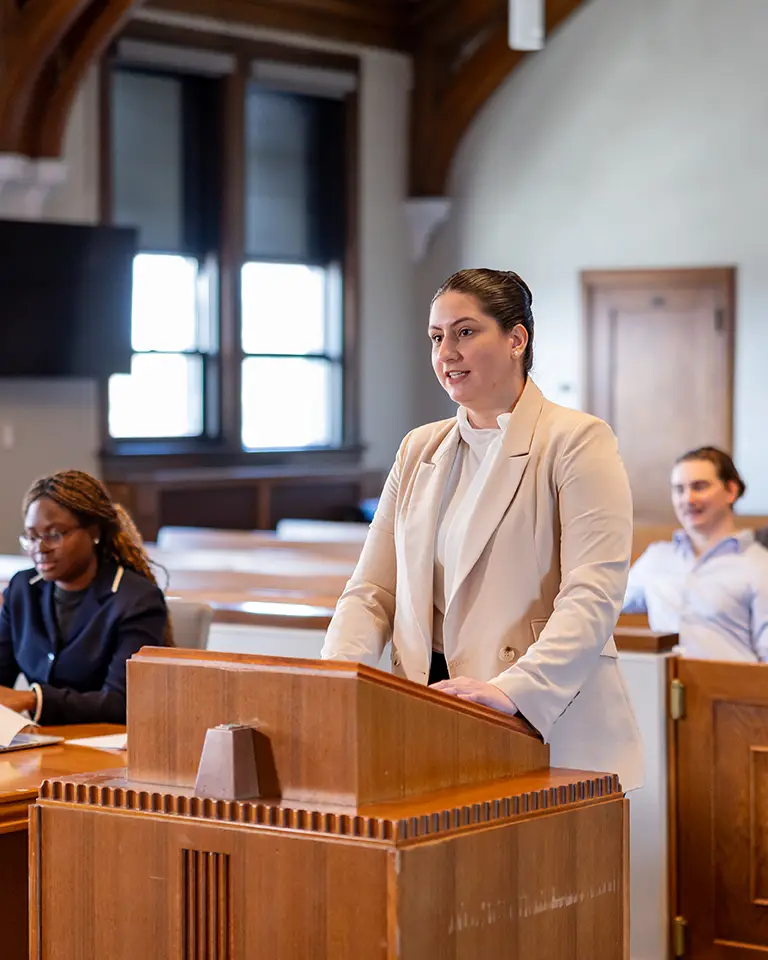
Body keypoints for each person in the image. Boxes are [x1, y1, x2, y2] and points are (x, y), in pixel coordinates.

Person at [322, 268, 642, 791]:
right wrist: (335, 679)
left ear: (516, 339)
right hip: (427, 710)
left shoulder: (576, 440)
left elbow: (593, 593)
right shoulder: (418, 448)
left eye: (465, 332)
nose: (445, 352)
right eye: (436, 337)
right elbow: (373, 590)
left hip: (539, 714)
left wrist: (518, 689)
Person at [0, 470, 170, 724]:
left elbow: (122, 701)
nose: (40, 549)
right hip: (41, 746)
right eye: (32, 537)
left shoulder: (136, 599)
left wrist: (34, 699)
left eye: (54, 535)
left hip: (108, 749)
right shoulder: (23, 589)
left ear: (94, 532)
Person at [624, 447, 768, 662]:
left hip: (729, 692)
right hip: (661, 690)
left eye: (699, 487)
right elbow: (605, 602)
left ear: (731, 490)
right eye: (679, 489)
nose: (687, 499)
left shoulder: (759, 565)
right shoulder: (655, 558)